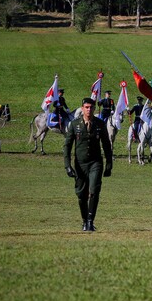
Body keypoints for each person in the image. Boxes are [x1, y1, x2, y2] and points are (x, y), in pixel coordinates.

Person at [63, 98, 113, 232]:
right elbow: (67, 146)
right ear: (82, 108)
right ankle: (84, 221)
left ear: (94, 109)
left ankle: (90, 221)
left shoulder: (100, 124)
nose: (89, 110)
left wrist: (109, 164)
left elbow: (106, 144)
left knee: (94, 191)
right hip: (80, 164)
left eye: (91, 107)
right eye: (86, 107)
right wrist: (67, 165)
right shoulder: (74, 125)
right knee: (81, 195)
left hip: (95, 163)